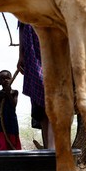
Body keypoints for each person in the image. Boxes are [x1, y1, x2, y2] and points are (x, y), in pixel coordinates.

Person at [17, 21, 54, 149]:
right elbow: (21, 26)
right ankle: (50, 150)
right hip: (32, 51)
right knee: (41, 104)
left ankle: (54, 150)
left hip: (53, 44)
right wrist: (21, 54)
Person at [0, 70, 22, 151]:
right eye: (3, 79)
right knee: (2, 147)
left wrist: (8, 93)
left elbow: (14, 105)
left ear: (11, 79)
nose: (5, 80)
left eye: (7, 78)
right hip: (1, 125)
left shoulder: (14, 92)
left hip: (12, 124)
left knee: (13, 146)